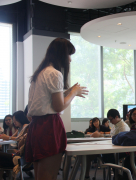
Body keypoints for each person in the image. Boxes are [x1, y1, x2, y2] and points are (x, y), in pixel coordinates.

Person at [25, 38, 88, 180]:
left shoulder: (39, 74)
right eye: (69, 55)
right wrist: (74, 93)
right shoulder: (55, 73)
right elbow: (58, 106)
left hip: (36, 127)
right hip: (49, 126)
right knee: (49, 176)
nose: (70, 60)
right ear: (61, 55)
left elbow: (41, 103)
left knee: (39, 176)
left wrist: (66, 92)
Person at [0, 111, 30, 178]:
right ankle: (6, 174)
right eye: (14, 121)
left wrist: (8, 137)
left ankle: (5, 174)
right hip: (19, 153)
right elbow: (15, 138)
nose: (14, 122)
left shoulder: (25, 126)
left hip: (21, 157)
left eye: (15, 120)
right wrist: (7, 137)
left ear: (20, 119)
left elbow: (19, 138)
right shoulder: (20, 128)